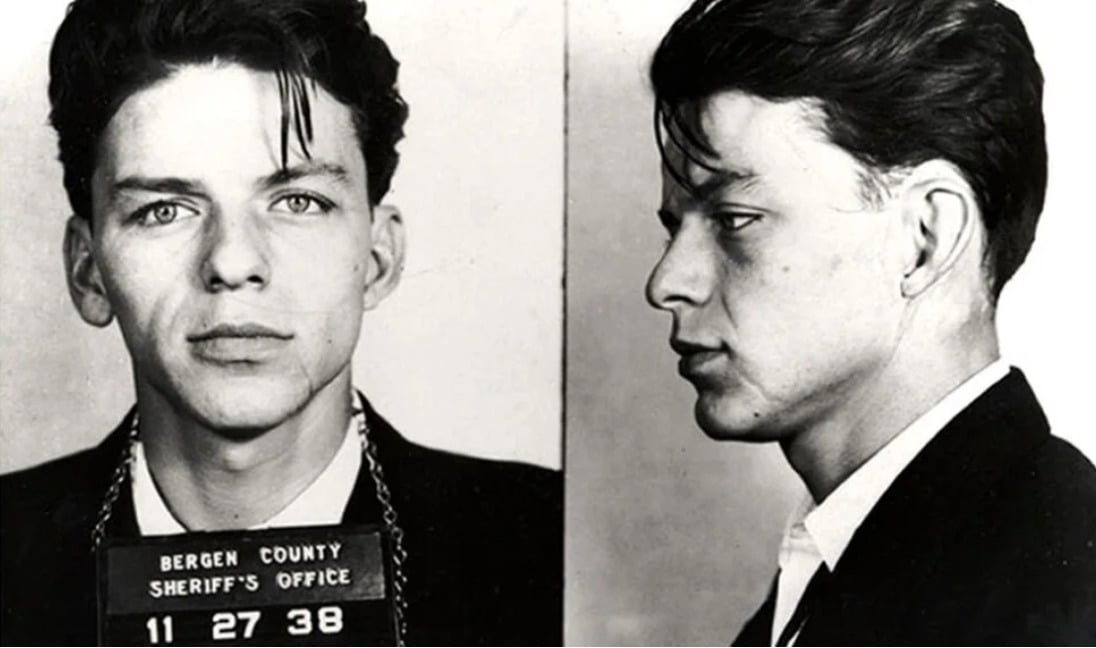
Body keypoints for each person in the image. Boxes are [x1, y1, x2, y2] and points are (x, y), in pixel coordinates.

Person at [0, 0, 560, 645]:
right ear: (88, 271)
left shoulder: (549, 543)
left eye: (298, 201)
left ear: (378, 258)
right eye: (164, 209)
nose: (233, 262)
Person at [645, 0, 1096, 644]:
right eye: (674, 228)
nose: (665, 283)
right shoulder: (849, 558)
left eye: (734, 220)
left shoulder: (1056, 586)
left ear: (925, 238)